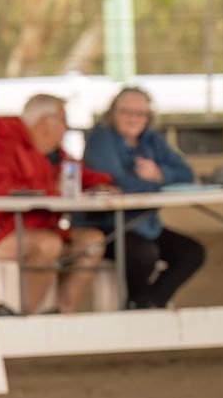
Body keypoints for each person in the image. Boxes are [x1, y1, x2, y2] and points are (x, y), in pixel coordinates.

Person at [0, 93, 115, 314]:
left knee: (92, 241)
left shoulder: (53, 154)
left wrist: (100, 184)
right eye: (61, 119)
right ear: (43, 122)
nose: (66, 127)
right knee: (47, 245)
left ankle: (60, 311)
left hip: (39, 228)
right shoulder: (3, 148)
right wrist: (53, 191)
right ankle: (21, 316)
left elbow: (79, 174)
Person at [79, 87, 205, 308]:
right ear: (113, 113)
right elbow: (116, 181)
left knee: (192, 252)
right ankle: (139, 302)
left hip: (145, 224)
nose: (133, 119)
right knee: (144, 253)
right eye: (126, 112)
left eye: (140, 114)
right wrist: (159, 183)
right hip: (107, 226)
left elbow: (186, 174)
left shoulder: (151, 140)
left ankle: (147, 302)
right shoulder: (101, 139)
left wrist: (160, 174)